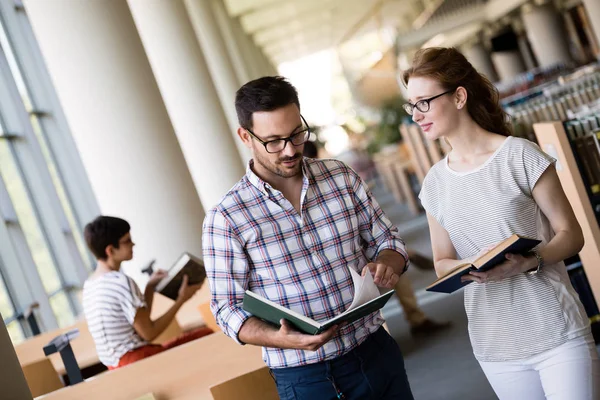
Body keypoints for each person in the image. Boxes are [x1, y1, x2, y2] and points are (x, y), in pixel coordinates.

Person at [404, 47, 599, 399]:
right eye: (411, 105)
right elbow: (442, 261)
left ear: (459, 96)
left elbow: (572, 235)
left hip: (557, 333)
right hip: (494, 345)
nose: (416, 116)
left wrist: (530, 260)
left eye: (424, 102)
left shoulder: (520, 155)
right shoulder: (434, 182)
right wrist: (480, 265)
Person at [203, 76, 415, 399]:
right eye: (273, 141)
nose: (289, 150)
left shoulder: (340, 177)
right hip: (306, 378)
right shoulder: (227, 218)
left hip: (374, 351)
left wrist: (388, 262)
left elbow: (389, 241)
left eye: (296, 135)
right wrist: (282, 338)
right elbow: (226, 308)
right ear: (245, 136)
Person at [303, 136, 450, 336]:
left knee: (390, 264)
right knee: (390, 262)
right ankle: (410, 261)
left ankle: (416, 310)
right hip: (344, 271)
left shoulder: (336, 179)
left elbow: (370, 231)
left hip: (364, 255)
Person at [82, 216, 212, 369]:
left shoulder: (90, 286)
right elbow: (149, 333)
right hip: (139, 359)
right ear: (110, 250)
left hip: (117, 365)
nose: (133, 244)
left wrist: (149, 288)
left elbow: (141, 322)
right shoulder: (121, 281)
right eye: (127, 241)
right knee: (206, 335)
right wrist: (181, 300)